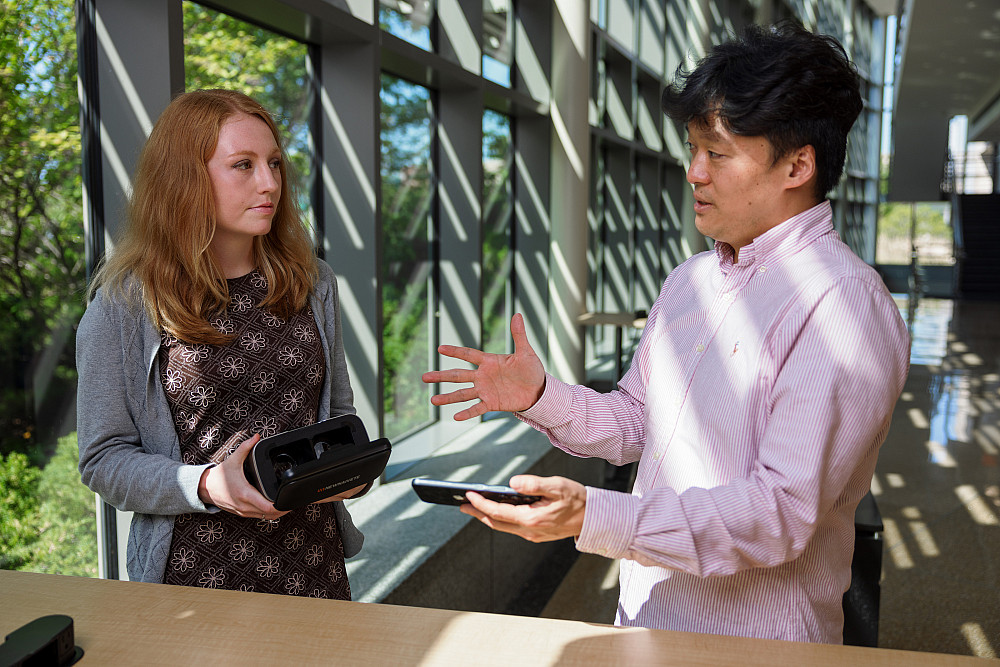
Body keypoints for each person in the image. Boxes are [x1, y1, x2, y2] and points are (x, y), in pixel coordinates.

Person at [422, 21, 910, 643]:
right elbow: (637, 425)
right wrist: (540, 396)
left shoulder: (845, 306)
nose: (693, 173)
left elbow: (777, 516)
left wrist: (595, 516)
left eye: (718, 153)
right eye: (692, 150)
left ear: (797, 165)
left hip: (757, 644)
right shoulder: (690, 280)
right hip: (646, 620)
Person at [77, 89, 367, 599]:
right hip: (193, 575)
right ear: (185, 180)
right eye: (243, 165)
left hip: (312, 562)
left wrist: (347, 472)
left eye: (274, 163)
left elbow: (337, 415)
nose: (269, 183)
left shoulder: (313, 283)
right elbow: (102, 459)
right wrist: (208, 484)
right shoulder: (123, 307)